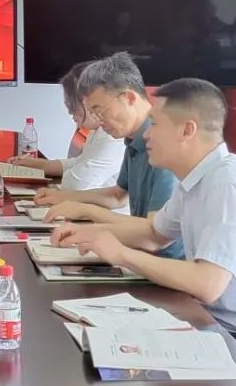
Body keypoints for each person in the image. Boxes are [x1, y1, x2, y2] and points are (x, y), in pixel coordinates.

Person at [52, 78, 236, 386]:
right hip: (232, 331)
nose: (147, 134)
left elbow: (207, 284)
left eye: (156, 124)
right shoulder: (196, 179)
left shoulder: (229, 183)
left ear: (187, 130)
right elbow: (154, 234)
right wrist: (93, 232)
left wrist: (121, 253)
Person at [40, 52, 183, 258]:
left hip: (163, 264)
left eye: (100, 110)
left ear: (129, 98)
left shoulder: (162, 142)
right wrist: (65, 198)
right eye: (93, 112)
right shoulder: (133, 138)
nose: (99, 120)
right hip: (139, 253)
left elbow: (154, 234)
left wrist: (85, 211)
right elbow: (117, 196)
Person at [10, 61, 126, 194]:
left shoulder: (113, 135)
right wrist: (38, 165)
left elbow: (78, 184)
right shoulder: (98, 131)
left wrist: (55, 180)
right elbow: (80, 163)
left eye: (72, 104)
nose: (70, 112)